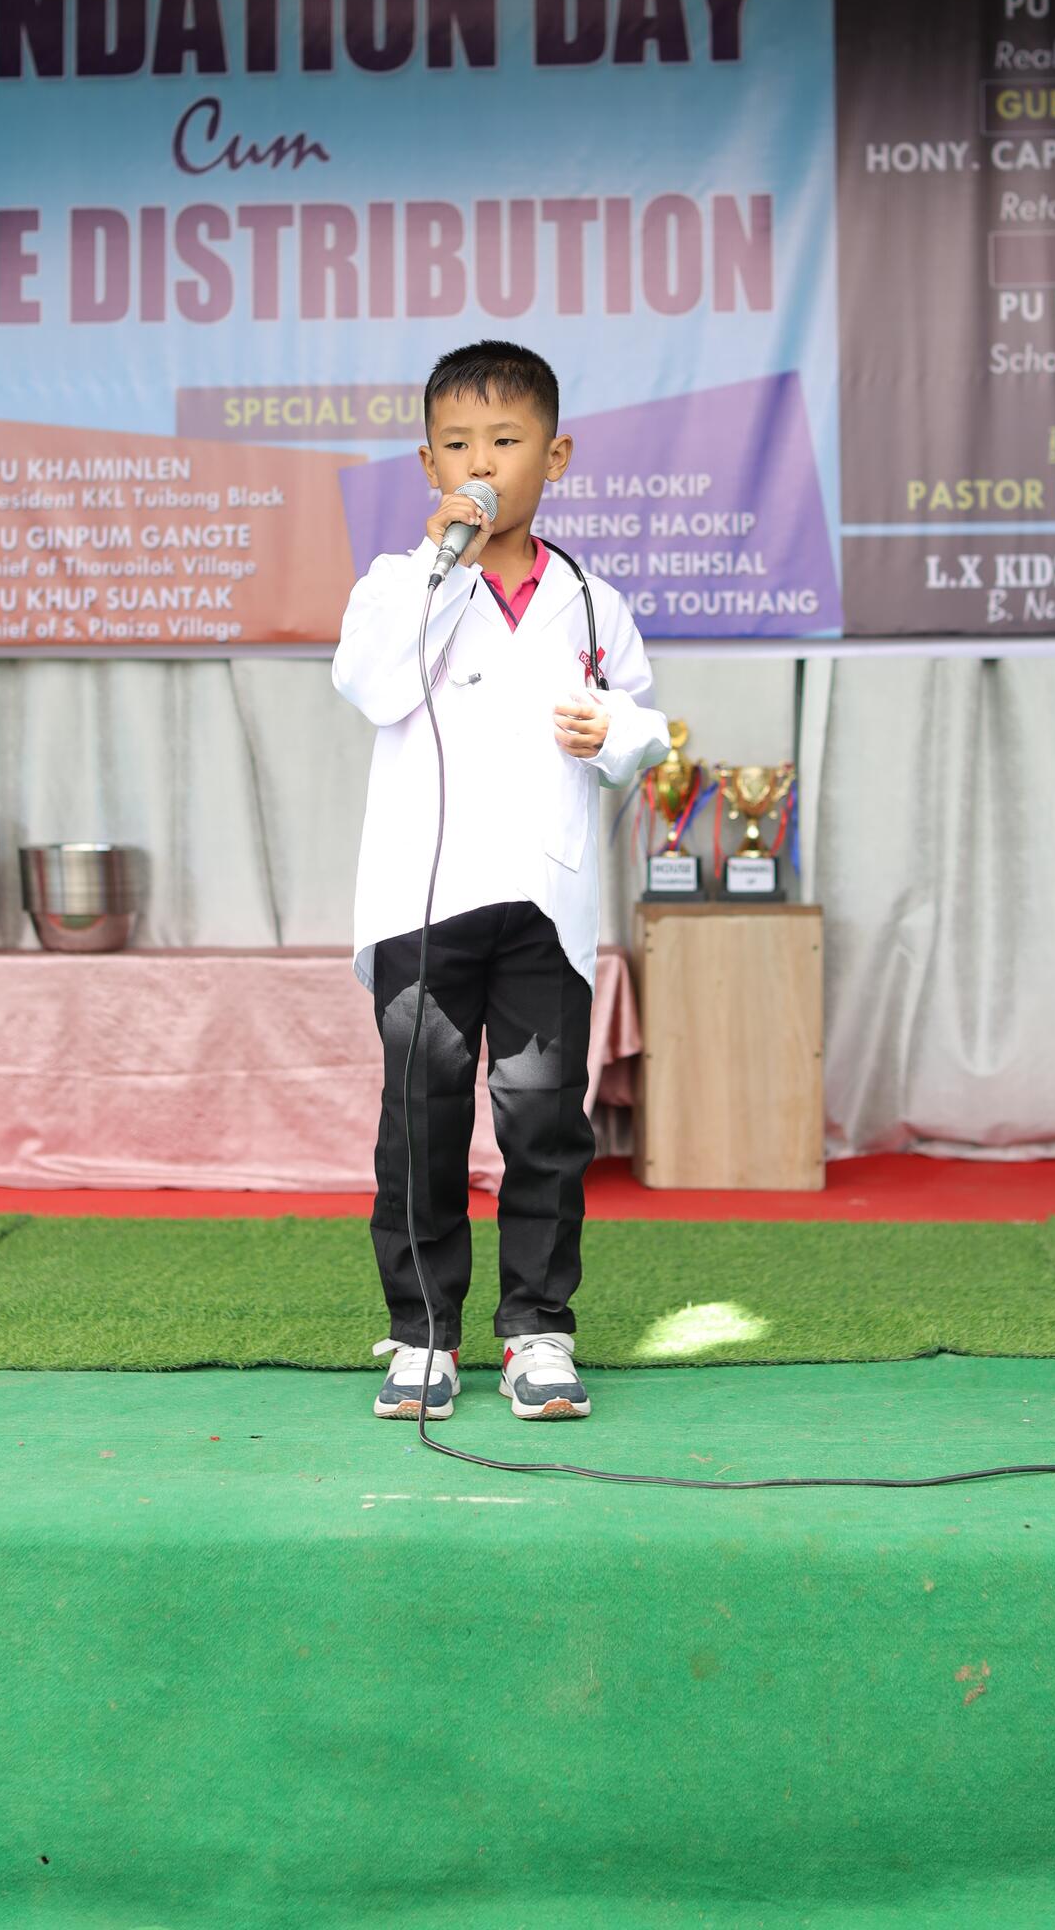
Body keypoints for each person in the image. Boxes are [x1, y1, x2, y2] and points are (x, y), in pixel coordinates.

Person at [333, 340, 669, 1423]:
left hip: (542, 904)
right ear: (427, 464)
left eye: (506, 441)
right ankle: (421, 1334)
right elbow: (372, 685)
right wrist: (443, 568)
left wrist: (614, 731)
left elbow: (642, 727)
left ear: (554, 456)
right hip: (422, 903)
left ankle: (538, 1329)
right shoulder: (398, 586)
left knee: (544, 1124)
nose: (481, 463)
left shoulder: (590, 600)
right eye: (457, 445)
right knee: (420, 1122)